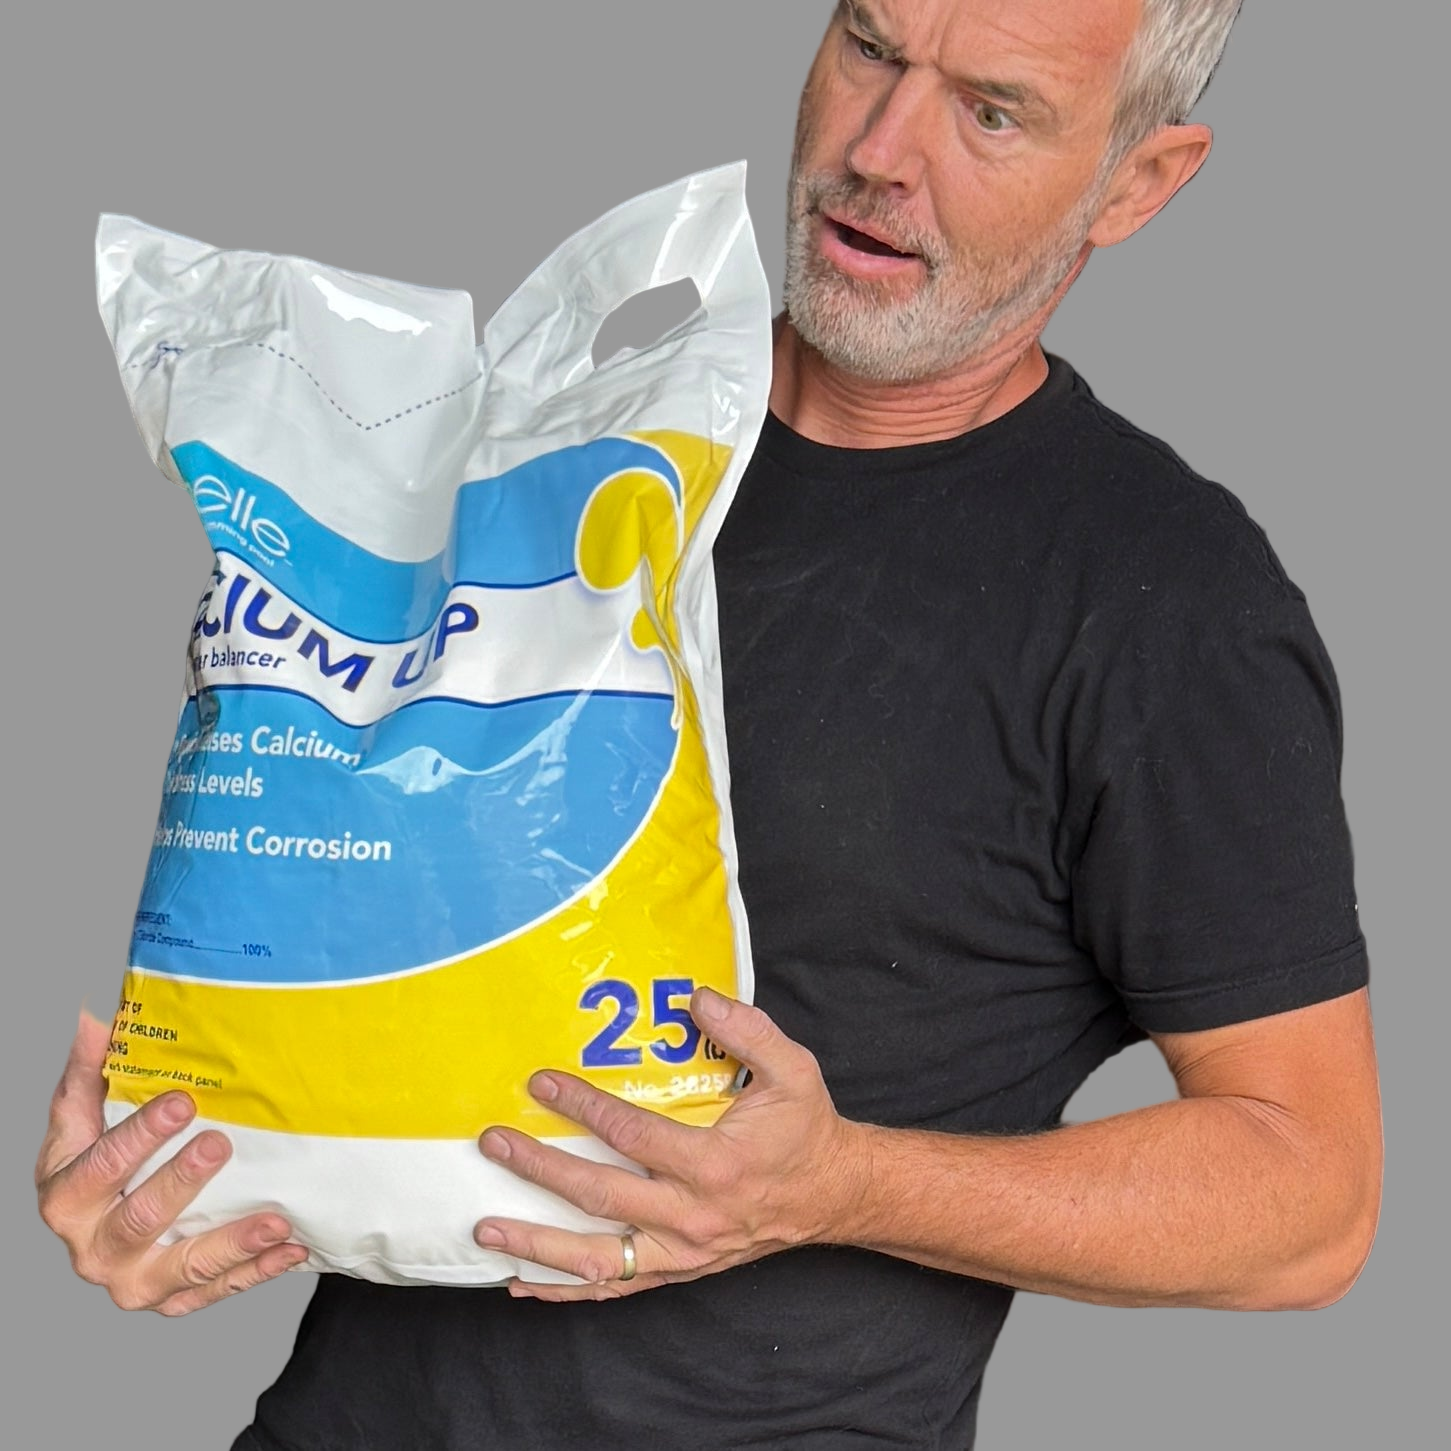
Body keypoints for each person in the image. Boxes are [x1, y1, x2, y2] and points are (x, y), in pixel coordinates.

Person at [37, 1, 1383, 1445]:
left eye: (990, 111)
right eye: (871, 47)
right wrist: (179, 1182)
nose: (880, 150)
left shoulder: (1163, 603)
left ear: (1137, 182)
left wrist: (842, 1186)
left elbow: (1309, 1202)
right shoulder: (557, 441)